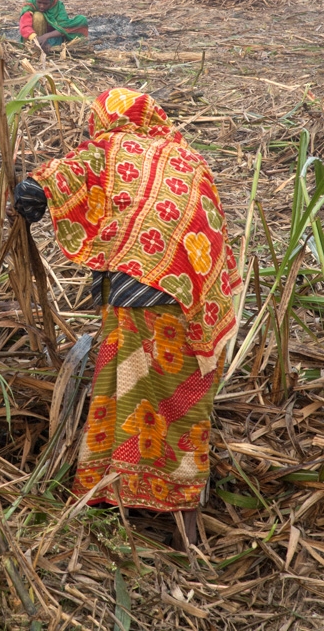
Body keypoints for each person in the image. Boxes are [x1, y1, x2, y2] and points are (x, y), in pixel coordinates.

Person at [14, 88, 241, 545]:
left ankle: (116, 491)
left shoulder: (111, 147)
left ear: (107, 120)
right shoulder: (188, 157)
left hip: (138, 291)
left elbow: (55, 180)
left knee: (127, 388)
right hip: (190, 296)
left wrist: (29, 194)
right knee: (180, 395)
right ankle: (185, 511)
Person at [19, 0, 88, 54]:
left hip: (52, 38)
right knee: (38, 16)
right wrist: (36, 39)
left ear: (52, 1)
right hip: (33, 39)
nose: (41, 6)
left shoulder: (58, 7)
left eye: (45, 4)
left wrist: (46, 36)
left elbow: (63, 27)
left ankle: (50, 47)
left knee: (81, 20)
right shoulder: (30, 5)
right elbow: (24, 26)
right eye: (39, 2)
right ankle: (37, 48)